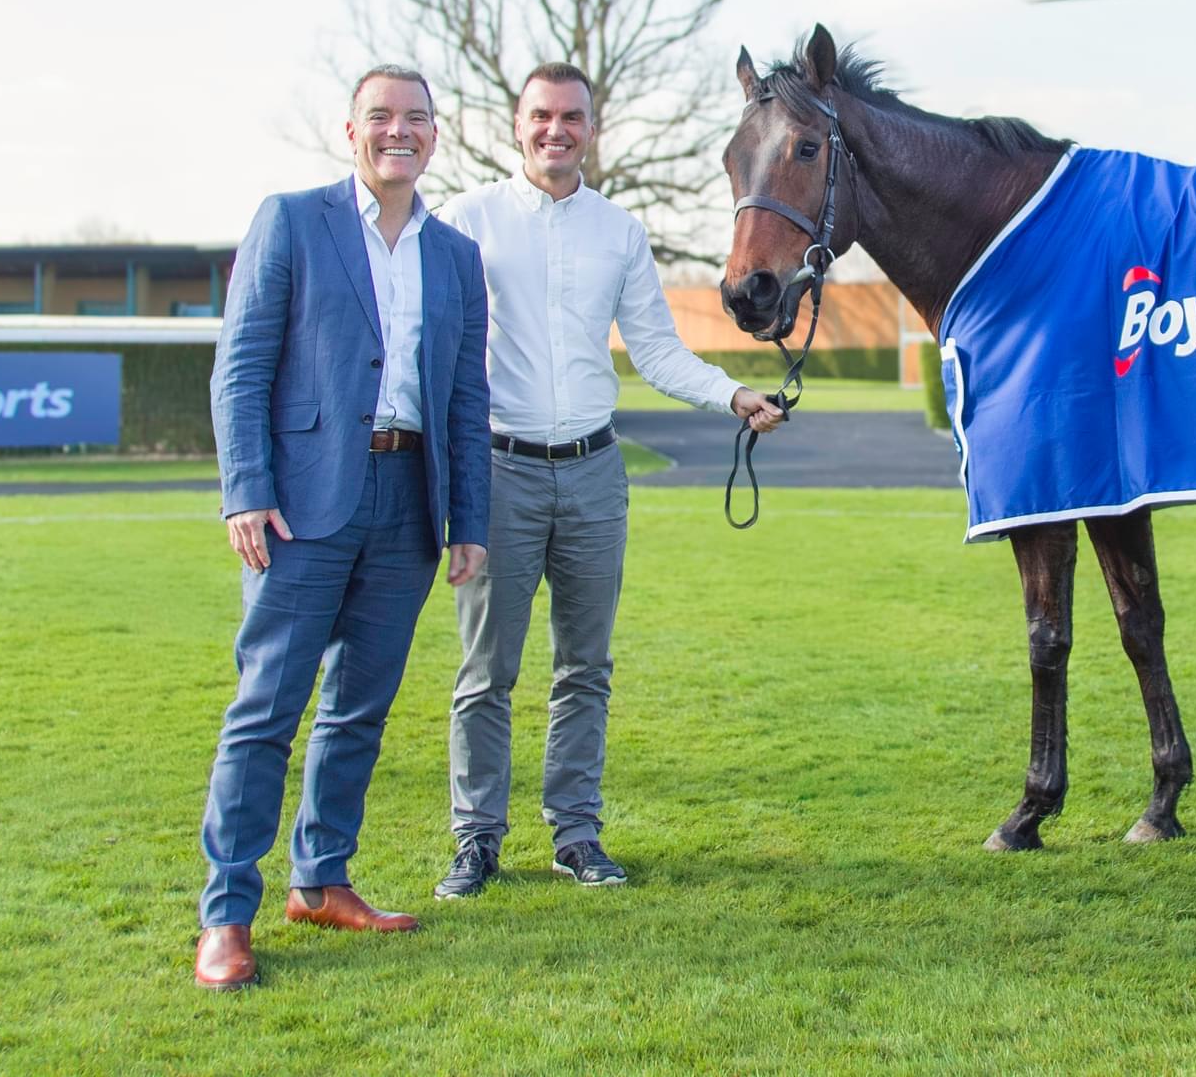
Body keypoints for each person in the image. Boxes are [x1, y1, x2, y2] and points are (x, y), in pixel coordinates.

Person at [431, 62, 784, 896]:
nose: (556, 130)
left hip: (594, 475)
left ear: (592, 129)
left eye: (572, 118)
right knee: (486, 673)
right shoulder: (465, 222)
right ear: (518, 124)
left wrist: (732, 394)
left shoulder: (619, 232)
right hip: (499, 474)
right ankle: (477, 840)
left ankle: (576, 834)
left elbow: (655, 348)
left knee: (585, 668)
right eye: (542, 116)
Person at [192, 64, 491, 991]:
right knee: (267, 711)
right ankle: (226, 914)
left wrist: (468, 518)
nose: (399, 131)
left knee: (359, 709)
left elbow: (466, 396)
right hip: (301, 502)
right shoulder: (291, 221)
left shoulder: (456, 256)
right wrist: (245, 490)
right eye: (381, 117)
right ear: (350, 131)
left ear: (435, 135)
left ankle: (321, 879)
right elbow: (241, 366)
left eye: (416, 118)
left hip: (409, 502)